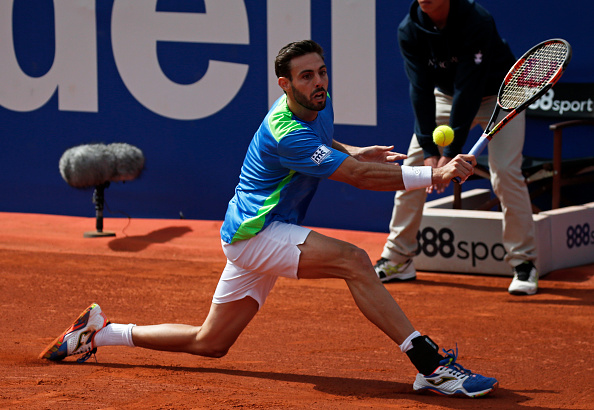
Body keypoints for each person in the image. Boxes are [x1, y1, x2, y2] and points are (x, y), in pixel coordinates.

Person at [39, 40, 497, 398]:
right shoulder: (286, 132)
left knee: (210, 342)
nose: (318, 81)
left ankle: (102, 332)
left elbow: (332, 147)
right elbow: (357, 178)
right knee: (354, 260)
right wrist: (433, 174)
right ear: (284, 84)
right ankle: (431, 365)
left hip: (252, 233)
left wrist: (355, 149)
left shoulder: (316, 102)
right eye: (305, 76)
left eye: (321, 71)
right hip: (257, 232)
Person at [374, 0, 539, 295]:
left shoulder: (477, 20)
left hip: (500, 98)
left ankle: (523, 263)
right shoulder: (409, 30)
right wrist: (429, 153)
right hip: (447, 98)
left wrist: (448, 156)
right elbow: (420, 89)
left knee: (505, 173)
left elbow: (470, 86)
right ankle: (398, 258)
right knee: (411, 171)